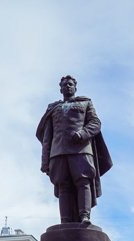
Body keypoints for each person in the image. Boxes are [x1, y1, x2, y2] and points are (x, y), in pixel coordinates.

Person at [36, 75, 113, 225]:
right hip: (58, 152)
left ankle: (85, 216)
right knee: (63, 185)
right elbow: (47, 137)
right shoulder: (53, 108)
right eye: (65, 85)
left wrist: (82, 134)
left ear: (75, 87)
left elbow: (95, 123)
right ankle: (65, 220)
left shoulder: (85, 103)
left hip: (81, 150)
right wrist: (45, 161)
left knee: (83, 181)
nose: (68, 87)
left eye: (70, 84)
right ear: (60, 89)